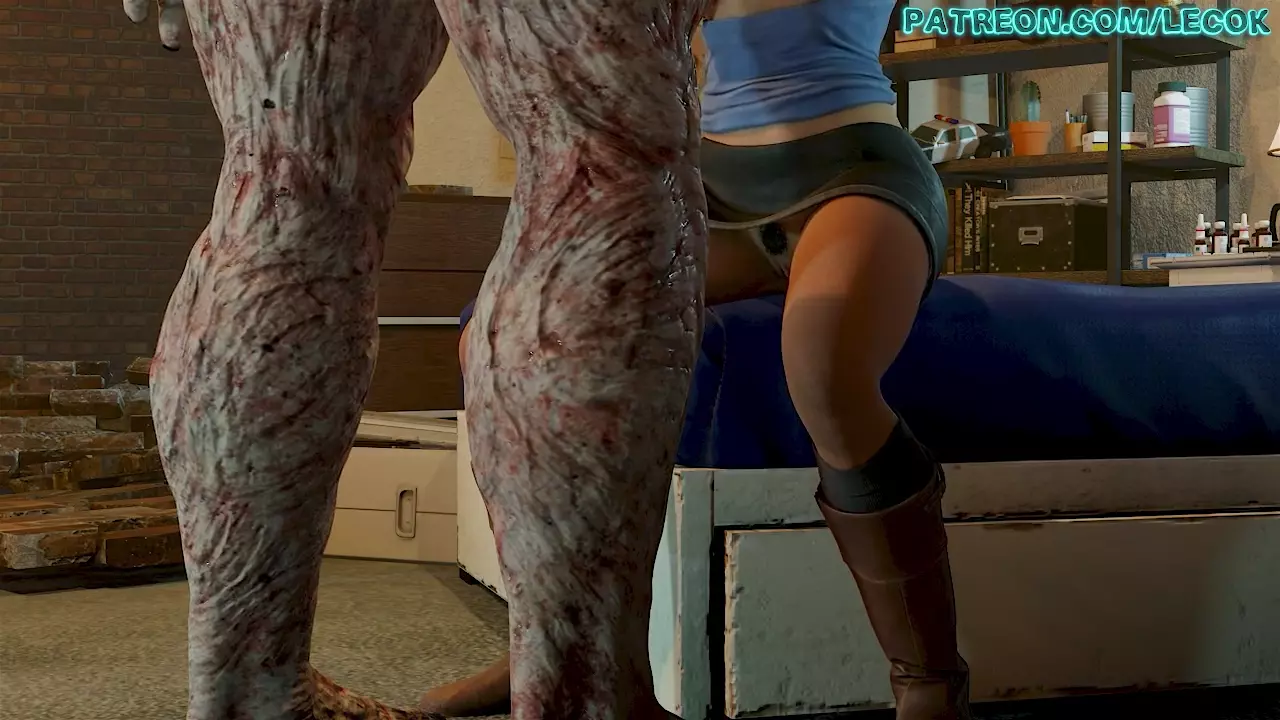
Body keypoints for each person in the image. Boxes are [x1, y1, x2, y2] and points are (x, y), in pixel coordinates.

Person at [423, 0, 970, 717]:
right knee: (511, 341)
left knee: (823, 368)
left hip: (855, 170)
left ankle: (929, 677)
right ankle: (556, 645)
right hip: (709, 179)